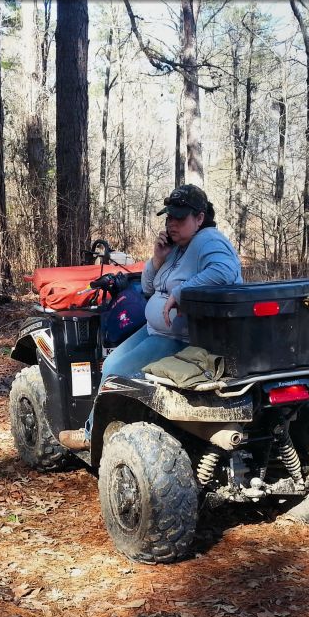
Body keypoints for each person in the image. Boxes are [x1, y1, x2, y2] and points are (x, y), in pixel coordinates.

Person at [58, 184, 243, 451]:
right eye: (169, 218)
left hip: (181, 338)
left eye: (180, 218)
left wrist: (180, 292)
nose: (172, 224)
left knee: (116, 371)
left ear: (200, 218)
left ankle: (92, 435)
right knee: (111, 363)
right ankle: (103, 428)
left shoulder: (208, 240)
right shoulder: (179, 247)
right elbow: (147, 287)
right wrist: (157, 259)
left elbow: (225, 271)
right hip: (159, 331)